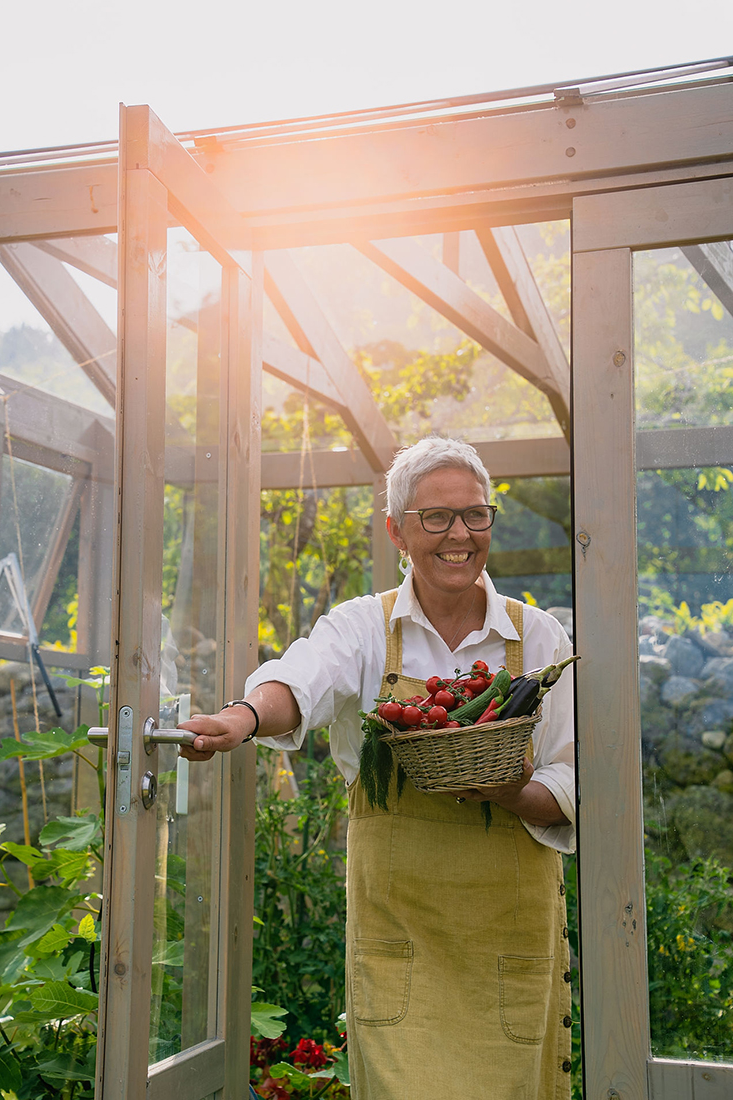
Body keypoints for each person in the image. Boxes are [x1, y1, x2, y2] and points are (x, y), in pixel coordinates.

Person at [180, 436, 575, 1100]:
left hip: (508, 951)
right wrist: (242, 718)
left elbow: (568, 779)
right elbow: (300, 680)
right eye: (437, 517)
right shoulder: (363, 628)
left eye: (476, 515)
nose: (461, 534)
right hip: (403, 950)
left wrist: (510, 792)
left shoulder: (537, 639)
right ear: (397, 529)